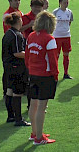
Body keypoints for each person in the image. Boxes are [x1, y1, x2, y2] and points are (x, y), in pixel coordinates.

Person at [25, 11, 59, 145]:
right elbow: (53, 60)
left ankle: (35, 133)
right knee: (41, 107)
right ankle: (39, 138)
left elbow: (27, 57)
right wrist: (55, 75)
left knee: (33, 104)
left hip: (33, 74)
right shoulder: (50, 39)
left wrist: (30, 69)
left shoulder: (31, 36)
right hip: (45, 76)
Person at [2, 12, 31, 126]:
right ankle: (18, 119)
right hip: (17, 68)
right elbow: (18, 53)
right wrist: (30, 54)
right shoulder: (16, 35)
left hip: (8, 67)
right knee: (17, 93)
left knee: (9, 91)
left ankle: (11, 116)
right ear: (19, 21)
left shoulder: (8, 33)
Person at [2, 0, 23, 98]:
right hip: (12, 44)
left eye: (19, 0)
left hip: (17, 41)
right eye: (16, 0)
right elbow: (10, 30)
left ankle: (9, 92)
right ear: (10, 2)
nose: (18, 2)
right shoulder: (8, 15)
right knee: (9, 70)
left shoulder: (19, 12)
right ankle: (6, 91)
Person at [52, 0, 74, 79]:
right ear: (60, 3)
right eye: (64, 2)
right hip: (57, 36)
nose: (66, 4)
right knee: (56, 55)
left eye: (67, 2)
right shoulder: (56, 12)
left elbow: (69, 23)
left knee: (66, 55)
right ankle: (55, 73)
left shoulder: (69, 12)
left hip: (66, 36)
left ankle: (66, 73)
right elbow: (52, 23)